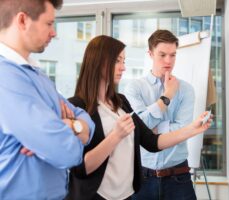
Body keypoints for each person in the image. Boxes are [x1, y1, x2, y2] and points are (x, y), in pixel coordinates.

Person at [66, 35, 211, 200]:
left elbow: (152, 142)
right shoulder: (76, 107)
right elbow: (80, 168)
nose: (123, 68)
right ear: (98, 61)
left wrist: (192, 129)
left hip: (126, 195)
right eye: (117, 61)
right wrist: (116, 135)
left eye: (124, 62)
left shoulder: (120, 102)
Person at [0, 0, 94, 199]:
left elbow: (87, 122)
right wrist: (71, 131)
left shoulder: (37, 74)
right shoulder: (4, 76)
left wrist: (69, 125)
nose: (54, 33)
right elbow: (66, 152)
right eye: (49, 24)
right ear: (23, 20)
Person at [124, 29, 197, 200]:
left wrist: (151, 129)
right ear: (150, 54)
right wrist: (168, 96)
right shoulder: (134, 88)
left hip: (178, 176)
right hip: (142, 177)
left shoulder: (186, 90)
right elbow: (138, 128)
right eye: (162, 55)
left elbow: (183, 130)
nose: (168, 61)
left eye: (173, 55)